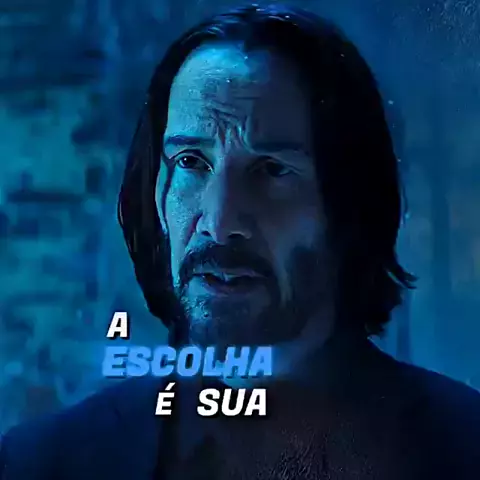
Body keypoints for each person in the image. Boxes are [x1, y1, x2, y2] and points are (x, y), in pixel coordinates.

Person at [1, 4, 479, 479]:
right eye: (191, 162)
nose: (220, 220)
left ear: (348, 203)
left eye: (271, 170)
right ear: (156, 189)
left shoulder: (462, 449)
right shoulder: (43, 464)